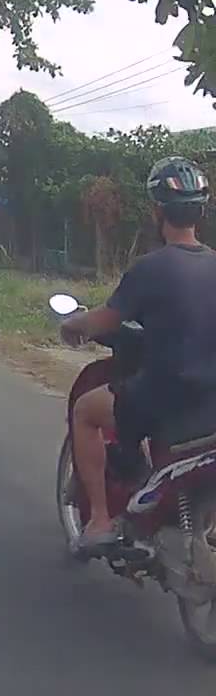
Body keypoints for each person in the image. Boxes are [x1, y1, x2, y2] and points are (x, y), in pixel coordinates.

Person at [61, 156, 216, 554]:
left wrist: (74, 325)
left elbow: (106, 319)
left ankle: (99, 521)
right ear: (200, 212)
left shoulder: (151, 267)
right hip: (211, 400)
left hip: (166, 397)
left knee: (85, 410)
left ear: (156, 211)